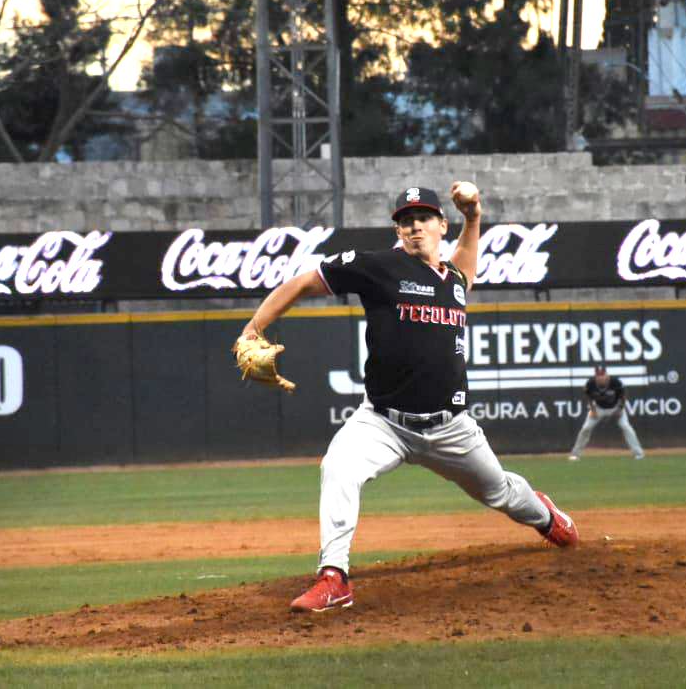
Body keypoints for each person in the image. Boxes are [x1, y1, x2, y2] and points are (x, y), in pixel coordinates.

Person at [240, 182, 579, 613]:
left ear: (441, 225)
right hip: (383, 422)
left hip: (451, 427)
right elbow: (306, 281)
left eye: (423, 218)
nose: (414, 226)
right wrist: (252, 329)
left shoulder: (454, 280)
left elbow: (466, 267)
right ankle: (334, 577)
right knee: (338, 467)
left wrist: (474, 217)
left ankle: (547, 518)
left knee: (501, 492)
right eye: (405, 221)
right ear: (397, 230)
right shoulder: (378, 266)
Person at [568, 365, 644, 461]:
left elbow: (623, 395)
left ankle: (638, 454)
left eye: (602, 374)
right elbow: (588, 396)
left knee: (626, 427)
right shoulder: (590, 383)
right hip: (598, 408)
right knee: (586, 428)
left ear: (606, 374)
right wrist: (593, 409)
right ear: (595, 375)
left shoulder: (615, 382)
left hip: (616, 407)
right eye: (598, 375)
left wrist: (620, 409)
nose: (600, 377)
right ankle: (575, 454)